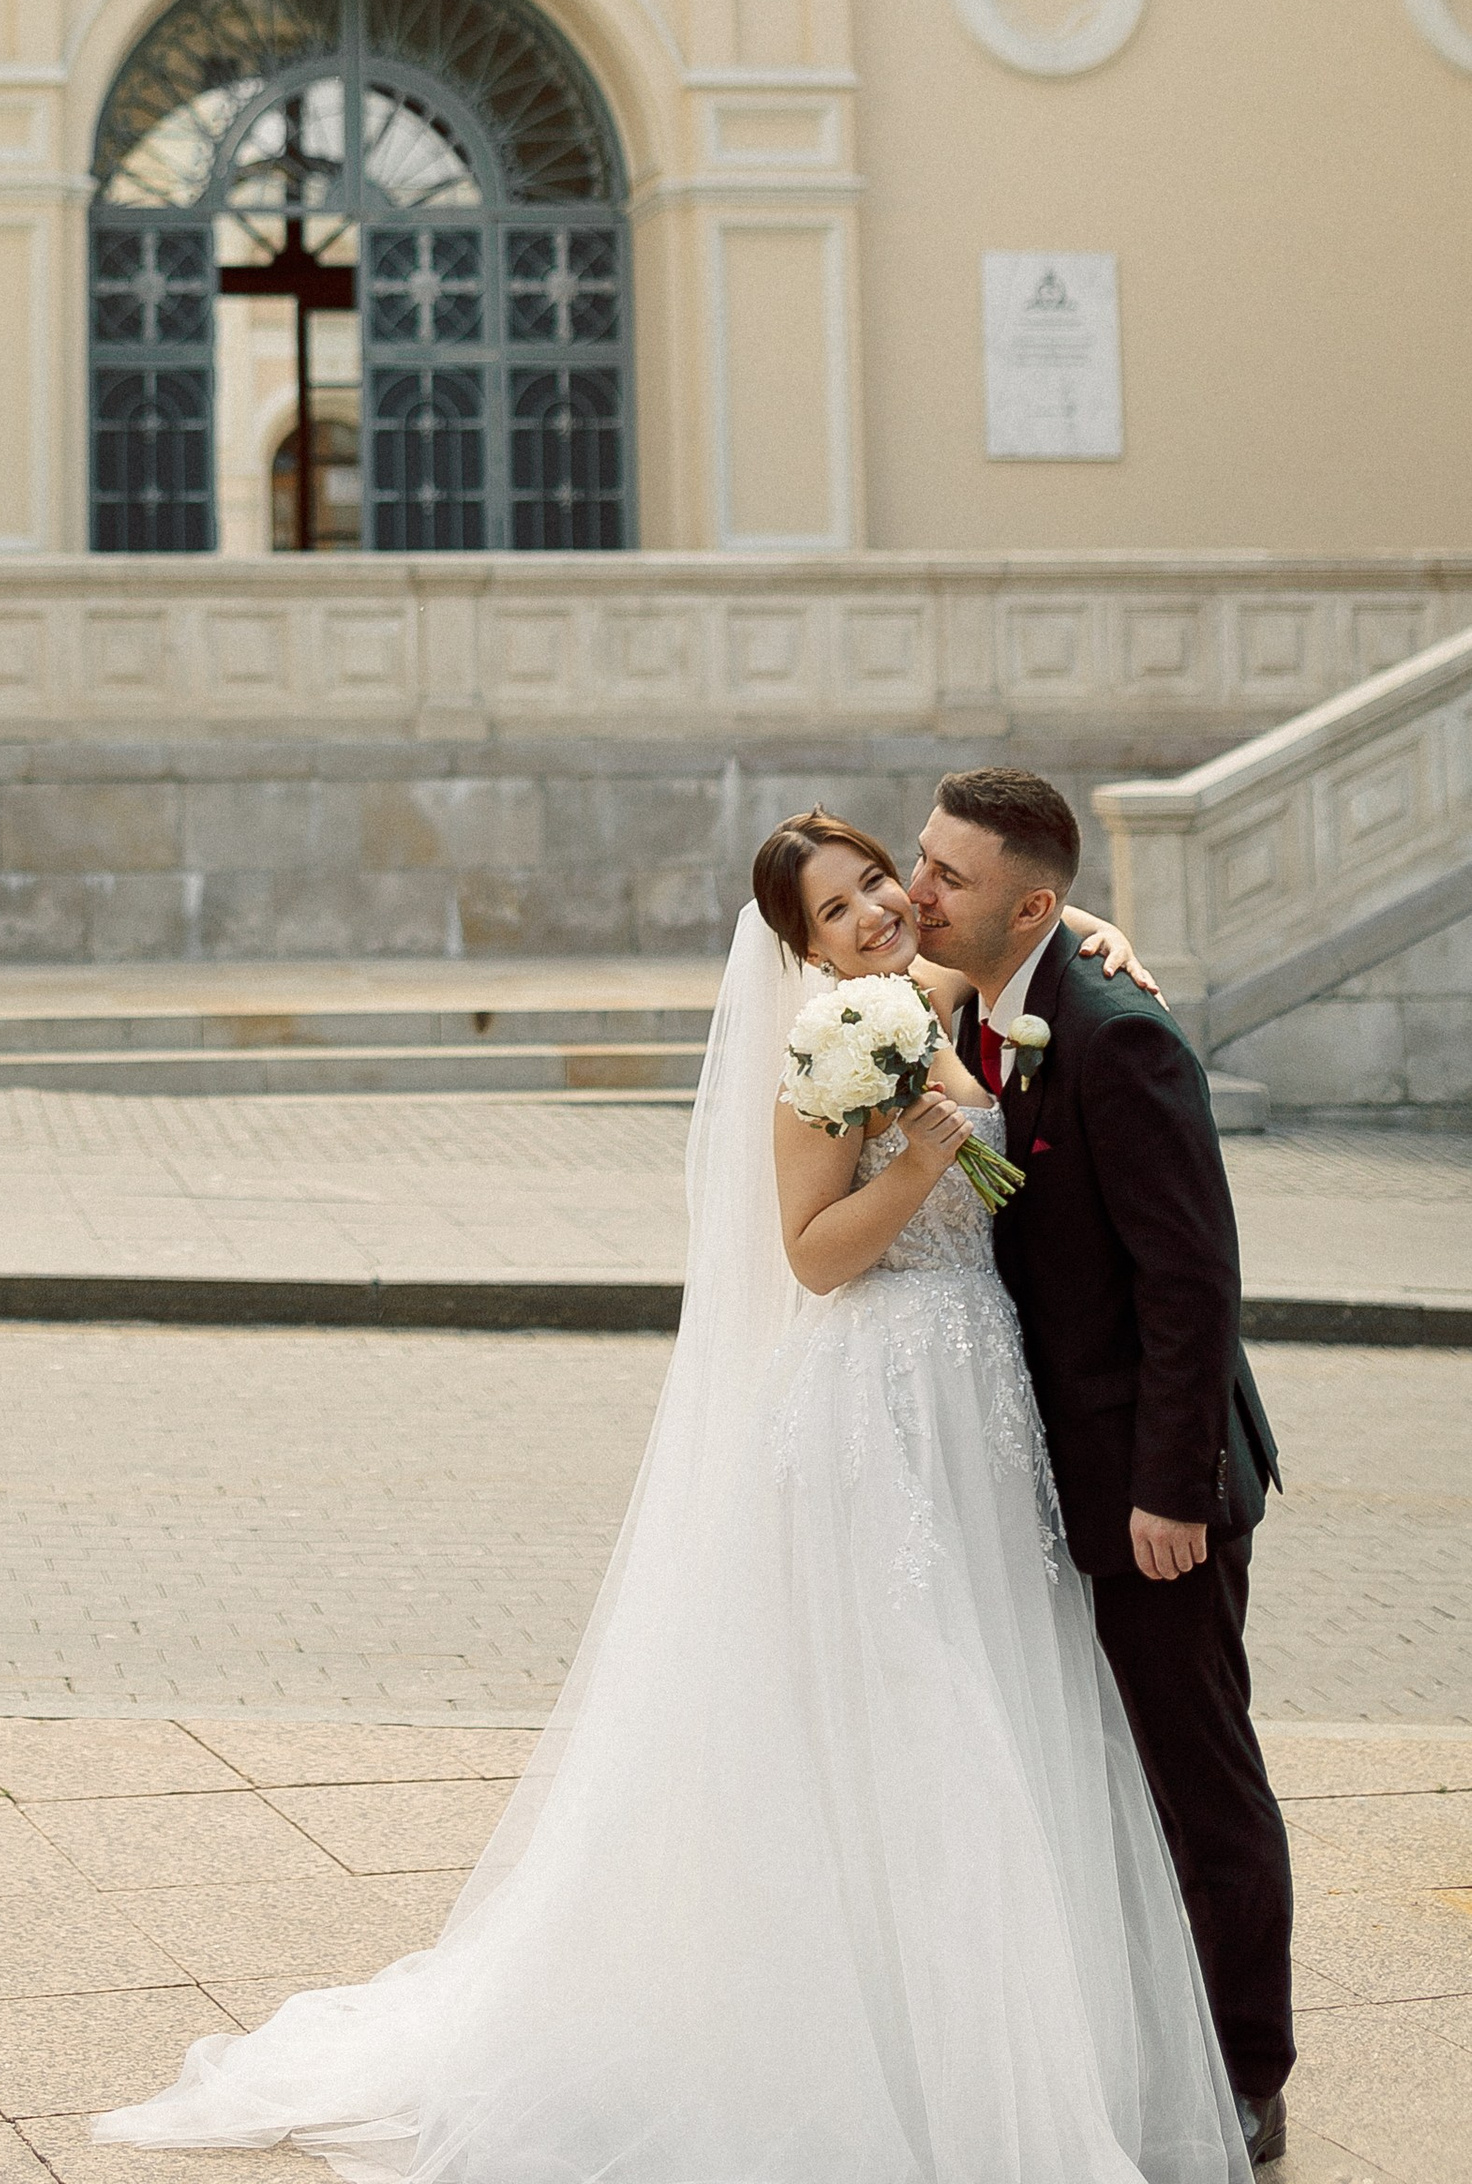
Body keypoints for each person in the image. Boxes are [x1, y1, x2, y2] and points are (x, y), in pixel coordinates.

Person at [97, 811, 1248, 2181]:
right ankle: (883, 2067)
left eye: (880, 881)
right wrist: (924, 1164)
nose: (879, 911)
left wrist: (1097, 930)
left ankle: (1000, 2043)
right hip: (881, 1406)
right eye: (837, 911)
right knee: (916, 1710)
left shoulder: (936, 996)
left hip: (982, 1407)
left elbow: (1025, 953)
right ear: (802, 948)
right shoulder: (823, 1052)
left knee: (1007, 1695)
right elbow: (812, 1257)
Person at [911, 765, 1294, 2166]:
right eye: (922, 859)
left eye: (949, 875)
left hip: (1154, 1489)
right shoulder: (987, 995)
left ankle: (1249, 2072)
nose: (919, 889)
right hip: (1054, 1470)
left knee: (1201, 1780)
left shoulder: (1119, 1036)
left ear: (1028, 906)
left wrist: (1170, 1491)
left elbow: (1193, 1282)